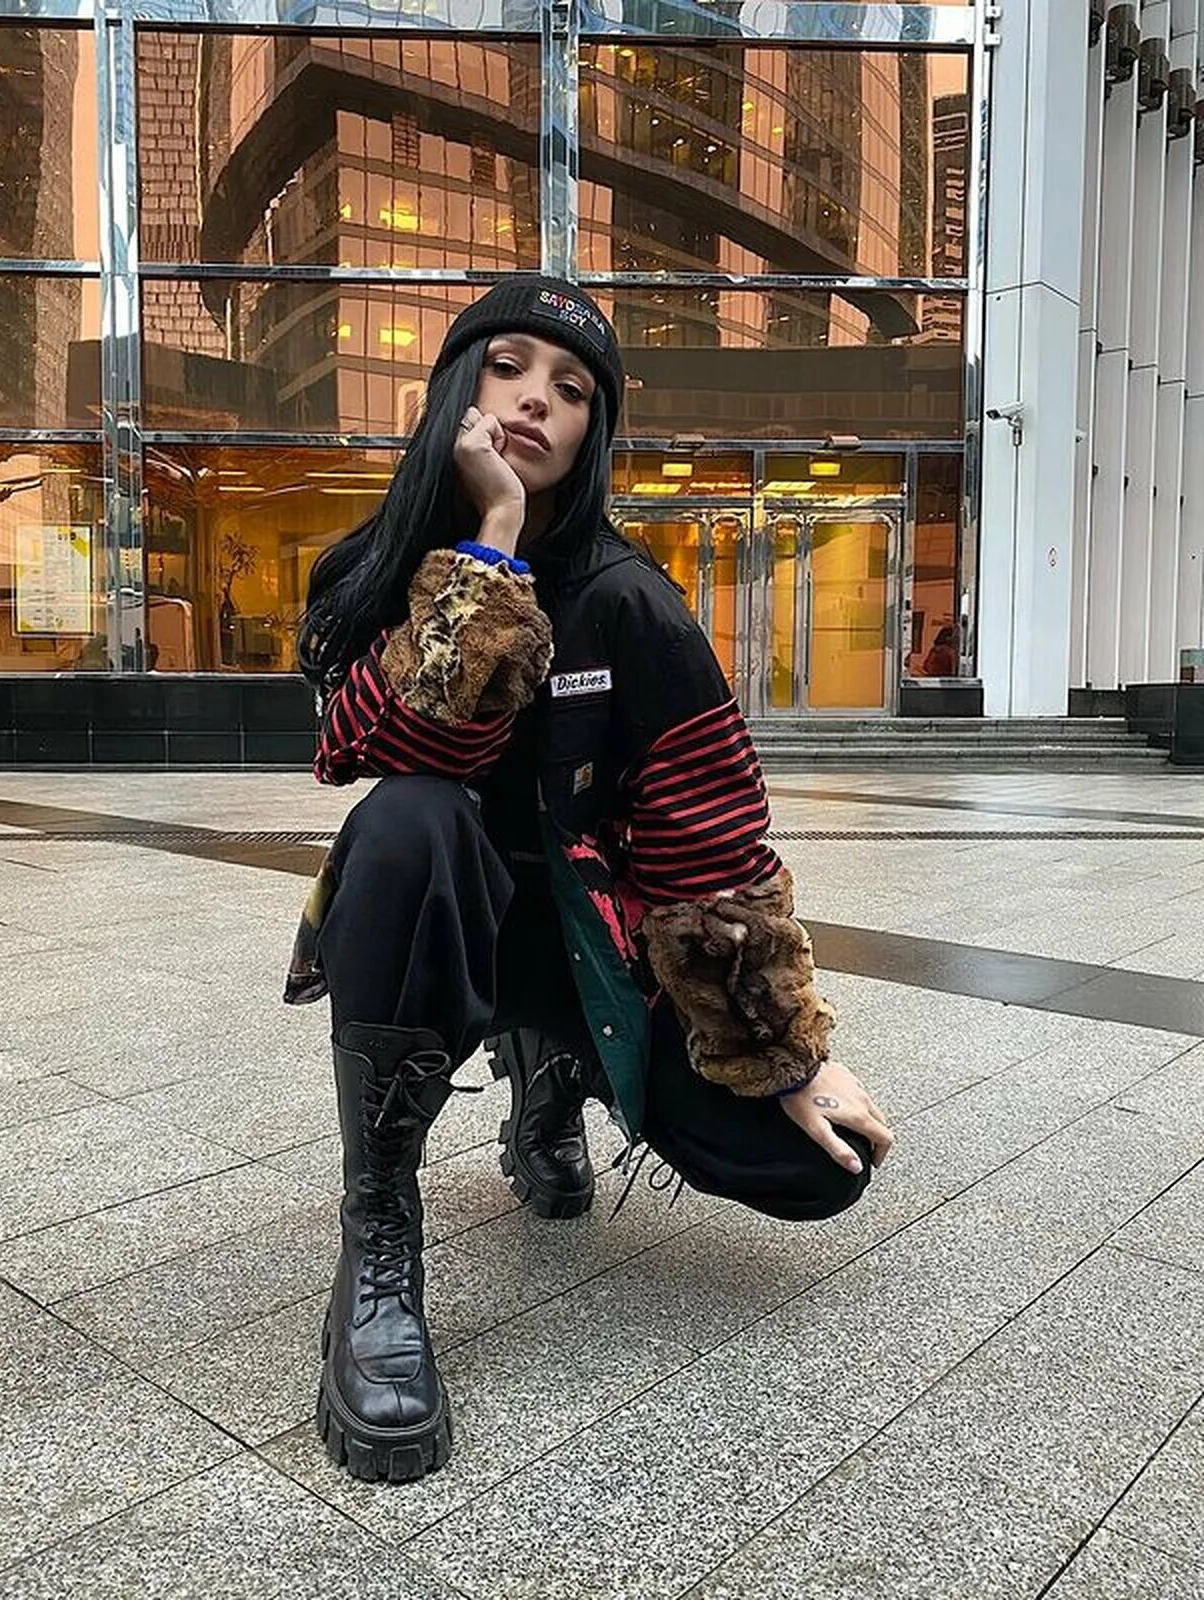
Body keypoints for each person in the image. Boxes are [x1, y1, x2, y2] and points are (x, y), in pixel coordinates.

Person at [284, 277, 895, 1486]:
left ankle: (550, 1072)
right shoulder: (375, 569)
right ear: (456, 387)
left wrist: (784, 1050)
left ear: (591, 431)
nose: (535, 401)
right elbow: (379, 744)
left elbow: (710, 837)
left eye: (569, 390)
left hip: (590, 951)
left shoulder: (629, 603)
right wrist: (492, 540)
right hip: (437, 921)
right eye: (507, 366)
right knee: (408, 818)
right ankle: (380, 1227)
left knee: (811, 1170)